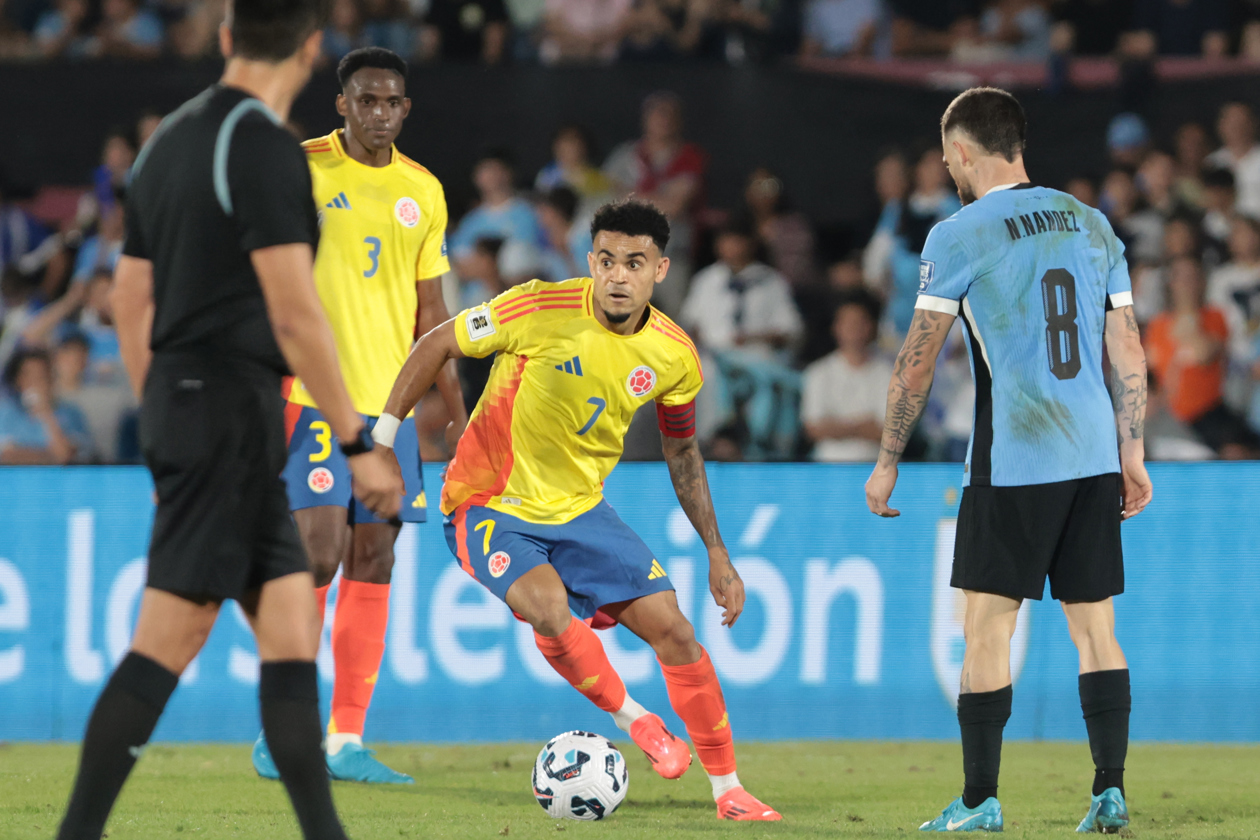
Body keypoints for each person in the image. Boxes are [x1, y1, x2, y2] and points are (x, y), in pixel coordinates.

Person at [55, 0, 404, 836]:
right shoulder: (265, 149)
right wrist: (357, 444)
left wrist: (161, 412)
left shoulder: (166, 140)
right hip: (226, 410)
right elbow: (294, 313)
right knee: (165, 644)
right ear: (314, 50)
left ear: (223, 39)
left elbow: (128, 294)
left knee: (290, 631)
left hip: (204, 409)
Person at [363, 199, 781, 822]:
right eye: (607, 260)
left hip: (581, 511)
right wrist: (379, 439)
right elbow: (437, 342)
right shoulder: (537, 306)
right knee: (547, 607)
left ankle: (729, 790)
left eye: (634, 263)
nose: (618, 275)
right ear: (591, 261)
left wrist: (717, 551)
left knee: (676, 631)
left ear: (660, 270)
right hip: (487, 502)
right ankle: (635, 720)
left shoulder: (674, 356)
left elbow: (683, 451)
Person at [865, 88, 1151, 833]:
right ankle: (1109, 791)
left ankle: (979, 801)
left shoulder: (959, 233)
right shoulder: (1092, 223)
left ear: (961, 152)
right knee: (1097, 627)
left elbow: (916, 362)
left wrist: (888, 457)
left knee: (987, 629)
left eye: (946, 152)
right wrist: (1133, 449)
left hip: (1014, 458)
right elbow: (1127, 346)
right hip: (1092, 457)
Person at [250, 46, 467, 786]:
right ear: (341, 103)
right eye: (366, 100)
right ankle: (281, 725)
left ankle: (345, 739)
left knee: (373, 558)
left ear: (406, 109)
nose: (380, 113)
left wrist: (455, 413)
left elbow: (433, 315)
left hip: (392, 410)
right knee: (314, 550)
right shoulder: (299, 166)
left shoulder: (424, 191)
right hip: (311, 398)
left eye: (392, 102)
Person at [604, 92, 707, 315]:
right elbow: (606, 200)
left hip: (671, 257)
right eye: (657, 114)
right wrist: (656, 197)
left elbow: (674, 206)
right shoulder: (626, 155)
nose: (663, 120)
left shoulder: (688, 156)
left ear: (679, 120)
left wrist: (628, 195)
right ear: (645, 118)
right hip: (626, 259)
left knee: (672, 327)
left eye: (669, 114)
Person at [1147, 255, 1260, 457]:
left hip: (1209, 411)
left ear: (1202, 282)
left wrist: (1188, 311)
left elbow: (1202, 354)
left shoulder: (1215, 317)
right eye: (1180, 277)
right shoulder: (1158, 325)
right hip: (1169, 415)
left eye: (1192, 277)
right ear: (1171, 282)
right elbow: (1149, 372)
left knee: (1237, 451)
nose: (1186, 284)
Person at [801, 290, 891, 462]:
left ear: (871, 326)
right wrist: (863, 426)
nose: (853, 329)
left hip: (875, 465)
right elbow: (813, 429)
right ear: (836, 327)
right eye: (848, 323)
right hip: (827, 465)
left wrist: (836, 426)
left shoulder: (888, 374)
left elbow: (890, 433)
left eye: (859, 322)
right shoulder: (818, 372)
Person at [448, 149, 545, 276]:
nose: (490, 176)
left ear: (509, 172)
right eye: (485, 170)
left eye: (495, 169)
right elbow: (459, 259)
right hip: (477, 291)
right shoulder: (470, 221)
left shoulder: (527, 212)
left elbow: (523, 255)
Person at [0, 348, 91, 464]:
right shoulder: (5, 412)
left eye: (41, 376)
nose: (35, 382)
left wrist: (46, 414)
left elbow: (65, 455)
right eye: (28, 376)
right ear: (18, 380)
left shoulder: (71, 412)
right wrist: (50, 455)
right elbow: (7, 456)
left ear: (51, 378)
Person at [1206, 102, 1260, 219]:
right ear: (1221, 126)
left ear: (1254, 123)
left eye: (1241, 122)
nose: (1236, 127)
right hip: (1218, 232)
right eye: (1231, 122)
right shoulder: (1211, 163)